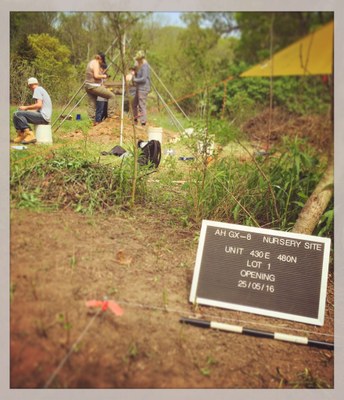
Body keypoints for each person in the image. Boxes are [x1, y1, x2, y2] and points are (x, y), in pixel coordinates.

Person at [12, 77, 52, 144]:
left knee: (17, 114)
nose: (29, 89)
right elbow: (38, 109)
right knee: (16, 114)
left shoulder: (37, 89)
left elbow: (39, 105)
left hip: (43, 117)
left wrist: (26, 108)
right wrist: (26, 112)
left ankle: (30, 135)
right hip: (44, 116)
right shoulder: (41, 89)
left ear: (30, 85)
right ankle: (21, 135)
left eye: (29, 87)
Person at [84, 53, 117, 123]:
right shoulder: (96, 63)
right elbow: (96, 76)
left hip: (88, 85)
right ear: (100, 59)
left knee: (92, 104)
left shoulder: (91, 62)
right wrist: (104, 76)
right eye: (102, 61)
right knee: (112, 96)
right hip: (94, 85)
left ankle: (91, 121)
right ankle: (111, 115)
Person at [131, 50, 151, 126]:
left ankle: (143, 123)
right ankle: (135, 119)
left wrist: (134, 79)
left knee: (142, 105)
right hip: (139, 87)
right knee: (134, 104)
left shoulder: (145, 66)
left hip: (143, 88)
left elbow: (143, 79)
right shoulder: (140, 65)